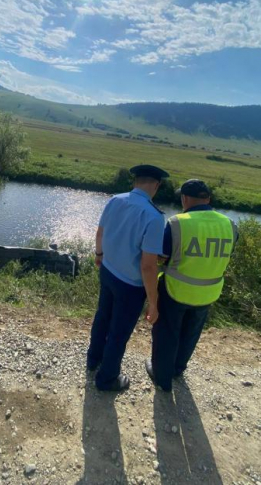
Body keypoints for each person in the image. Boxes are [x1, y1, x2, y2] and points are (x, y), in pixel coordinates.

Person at [146, 179, 238, 392]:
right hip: (208, 292)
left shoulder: (178, 223)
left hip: (175, 291)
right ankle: (178, 369)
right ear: (208, 199)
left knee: (166, 334)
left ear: (185, 199)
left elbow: (161, 257)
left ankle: (162, 377)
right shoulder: (230, 225)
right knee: (191, 333)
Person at [87, 164, 169, 392]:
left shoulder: (115, 200)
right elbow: (148, 265)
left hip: (108, 270)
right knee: (119, 332)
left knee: (102, 317)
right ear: (156, 185)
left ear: (135, 181)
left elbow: (100, 233)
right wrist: (154, 303)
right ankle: (106, 379)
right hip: (130, 286)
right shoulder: (153, 217)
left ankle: (93, 360)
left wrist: (99, 255)